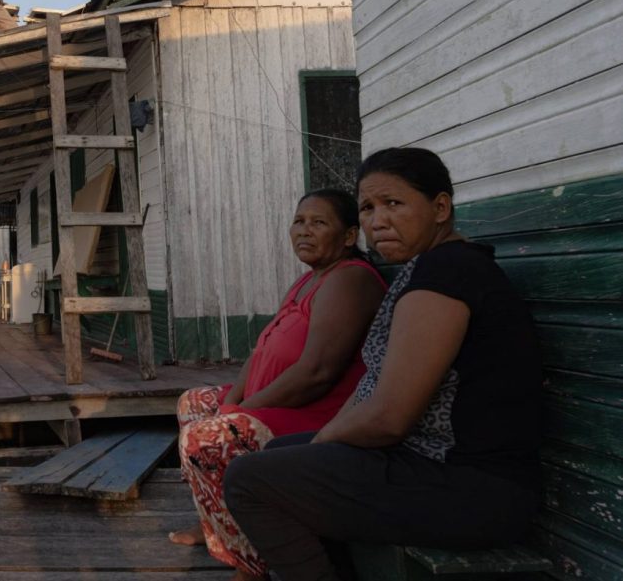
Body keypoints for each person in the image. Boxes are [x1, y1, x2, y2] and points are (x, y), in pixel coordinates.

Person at [224, 147, 543, 581]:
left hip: (472, 486)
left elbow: (390, 418)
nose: (377, 221)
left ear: (440, 207)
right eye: (368, 208)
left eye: (394, 204)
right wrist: (321, 447)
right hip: (439, 470)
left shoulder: (446, 276)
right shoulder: (430, 268)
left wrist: (325, 441)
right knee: (282, 456)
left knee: (250, 479)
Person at [171, 189, 386, 580]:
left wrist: (242, 410)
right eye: (298, 221)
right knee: (194, 402)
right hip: (274, 401)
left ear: (349, 235)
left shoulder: (350, 280)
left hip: (314, 415)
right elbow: (261, 350)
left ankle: (251, 563)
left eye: (318, 223)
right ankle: (217, 526)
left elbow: (316, 374)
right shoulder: (308, 280)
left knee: (203, 439)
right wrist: (233, 401)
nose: (304, 231)